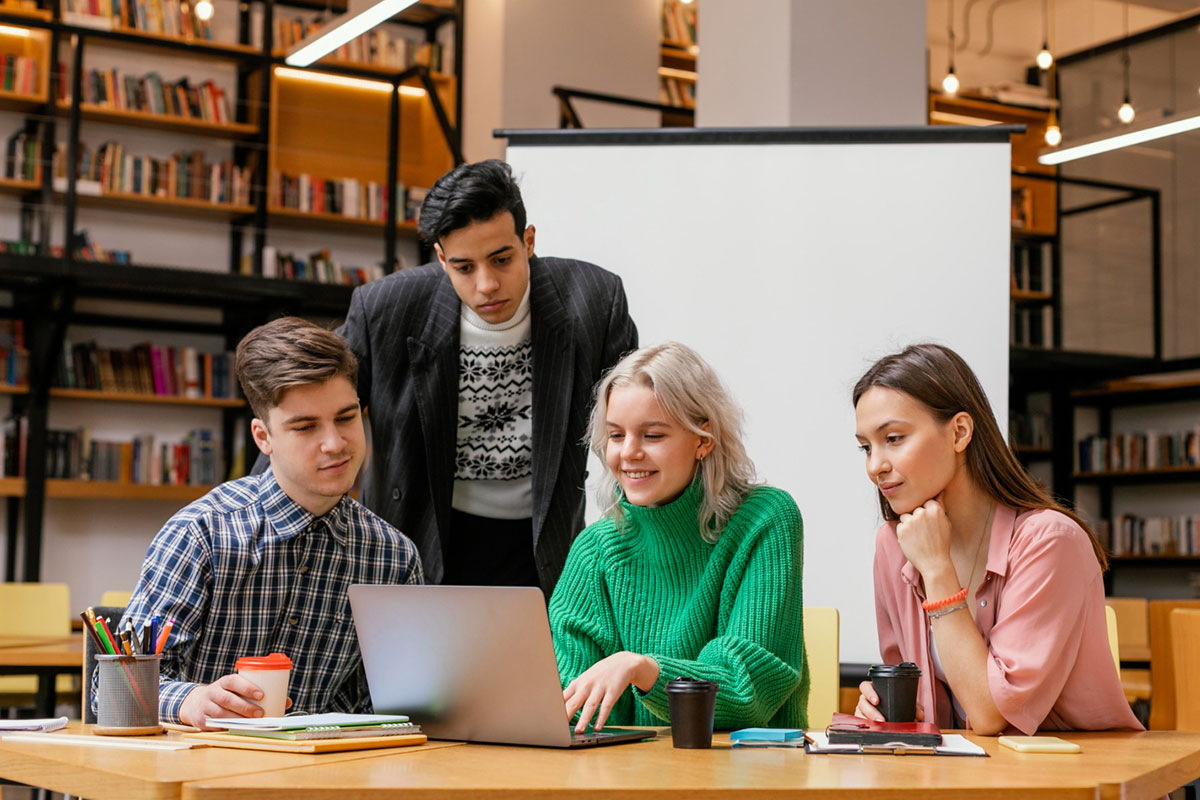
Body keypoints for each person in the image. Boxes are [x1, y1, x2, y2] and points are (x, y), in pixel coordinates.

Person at [103, 318, 423, 729]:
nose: (335, 443)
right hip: (199, 774)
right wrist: (193, 700)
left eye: (346, 418)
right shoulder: (201, 534)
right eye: (306, 426)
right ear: (263, 437)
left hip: (319, 782)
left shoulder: (393, 557)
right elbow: (114, 688)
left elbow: (390, 706)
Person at [336, 159, 637, 594]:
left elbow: (635, 422)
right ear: (441, 259)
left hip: (542, 543)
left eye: (501, 259)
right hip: (420, 536)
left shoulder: (592, 300)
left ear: (528, 241)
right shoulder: (385, 308)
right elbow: (314, 405)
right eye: (464, 267)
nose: (487, 284)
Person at [852, 343, 1142, 734]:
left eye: (894, 439)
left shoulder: (1050, 542)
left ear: (959, 432)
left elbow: (991, 714)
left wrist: (937, 570)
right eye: (866, 447)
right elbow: (918, 702)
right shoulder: (894, 545)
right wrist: (882, 707)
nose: (875, 466)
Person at [550, 342, 808, 732]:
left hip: (750, 777)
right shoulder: (594, 549)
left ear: (703, 441)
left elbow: (746, 690)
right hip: (630, 782)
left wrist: (644, 669)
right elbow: (570, 702)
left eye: (652, 436)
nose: (628, 453)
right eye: (616, 436)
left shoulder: (765, 519)